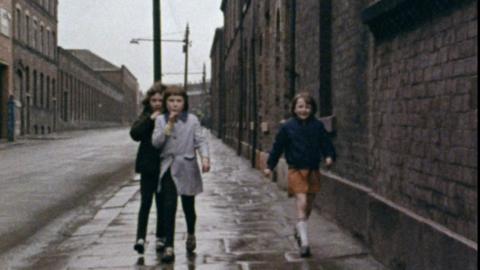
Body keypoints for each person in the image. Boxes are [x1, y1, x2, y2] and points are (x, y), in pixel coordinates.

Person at [263, 92, 336, 258]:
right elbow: (277, 147)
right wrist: (270, 166)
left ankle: (299, 228)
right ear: (294, 109)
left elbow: (325, 143)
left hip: (312, 169)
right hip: (295, 169)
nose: (304, 110)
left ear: (312, 108)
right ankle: (304, 243)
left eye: (307, 107)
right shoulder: (288, 127)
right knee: (301, 201)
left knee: (309, 204)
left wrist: (329, 156)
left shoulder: (317, 126)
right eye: (300, 106)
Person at [152, 86, 210, 263]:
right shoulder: (161, 120)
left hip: (187, 167)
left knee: (188, 207)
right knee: (168, 206)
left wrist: (205, 158)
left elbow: (200, 140)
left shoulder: (192, 120)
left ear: (184, 103)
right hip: (169, 167)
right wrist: (169, 124)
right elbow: (156, 143)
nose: (174, 105)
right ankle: (169, 246)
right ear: (166, 103)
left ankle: (191, 232)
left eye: (178, 101)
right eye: (171, 101)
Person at [130, 82, 166, 254]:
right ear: (149, 101)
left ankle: (160, 237)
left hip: (165, 165)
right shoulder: (145, 115)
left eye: (160, 100)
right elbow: (134, 134)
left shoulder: (169, 117)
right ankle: (140, 238)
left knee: (162, 203)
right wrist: (150, 119)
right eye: (154, 100)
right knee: (145, 202)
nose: (157, 103)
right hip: (148, 166)